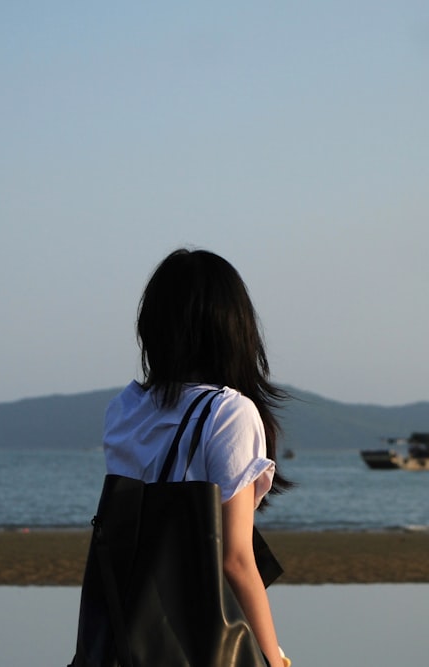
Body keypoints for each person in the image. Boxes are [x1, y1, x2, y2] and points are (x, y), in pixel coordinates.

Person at [102, 248, 292, 667]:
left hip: (125, 641)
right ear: (234, 328)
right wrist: (273, 659)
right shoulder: (228, 413)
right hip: (197, 645)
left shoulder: (124, 410)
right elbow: (234, 559)